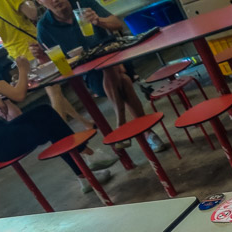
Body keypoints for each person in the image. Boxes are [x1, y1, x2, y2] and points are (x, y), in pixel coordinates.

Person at [35, 0, 166, 152]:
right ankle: (146, 132)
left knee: (111, 68)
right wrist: (41, 58)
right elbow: (56, 64)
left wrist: (98, 20)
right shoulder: (44, 27)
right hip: (92, 74)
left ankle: (123, 126)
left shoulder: (83, 3)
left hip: (116, 57)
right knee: (122, 79)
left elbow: (117, 24)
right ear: (40, 2)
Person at [0, 50, 113, 194]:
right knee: (49, 120)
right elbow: (18, 95)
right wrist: (22, 68)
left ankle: (85, 170)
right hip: (2, 143)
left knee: (45, 113)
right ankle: (88, 157)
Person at [0, 0, 95, 130]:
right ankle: (63, 134)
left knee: (53, 89)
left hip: (15, 52)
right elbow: (32, 14)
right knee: (54, 91)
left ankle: (84, 123)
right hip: (32, 47)